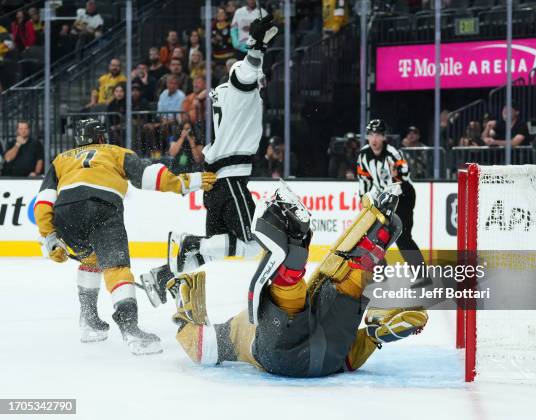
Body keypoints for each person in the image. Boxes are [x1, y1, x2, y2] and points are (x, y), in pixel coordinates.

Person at [161, 183, 428, 375]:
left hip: (323, 359)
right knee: (318, 291)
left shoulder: (227, 338)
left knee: (331, 295)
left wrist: (183, 313)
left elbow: (198, 348)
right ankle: (301, 242)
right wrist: (183, 303)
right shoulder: (231, 333)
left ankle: (362, 253)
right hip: (315, 353)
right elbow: (200, 347)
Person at [33, 118, 216, 354]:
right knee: (116, 268)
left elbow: (43, 201)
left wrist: (50, 237)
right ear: (101, 138)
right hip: (102, 207)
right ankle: (130, 330)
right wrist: (189, 181)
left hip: (65, 213)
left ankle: (88, 322)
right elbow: (151, 178)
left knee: (91, 260)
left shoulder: (61, 159)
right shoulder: (115, 152)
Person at [140, 15, 280, 299]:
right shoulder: (241, 86)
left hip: (217, 180)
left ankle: (161, 277)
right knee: (252, 243)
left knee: (217, 246)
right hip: (230, 179)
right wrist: (256, 47)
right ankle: (188, 243)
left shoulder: (223, 93)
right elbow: (247, 72)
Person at [356, 119, 425, 268]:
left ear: (383, 137)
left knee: (403, 237)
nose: (374, 139)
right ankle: (380, 270)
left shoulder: (392, 153)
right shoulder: (363, 155)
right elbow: (364, 179)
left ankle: (422, 275)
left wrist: (397, 174)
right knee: (373, 235)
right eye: (371, 135)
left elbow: (406, 174)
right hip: (384, 198)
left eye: (378, 135)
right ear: (367, 136)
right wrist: (363, 198)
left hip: (403, 196)